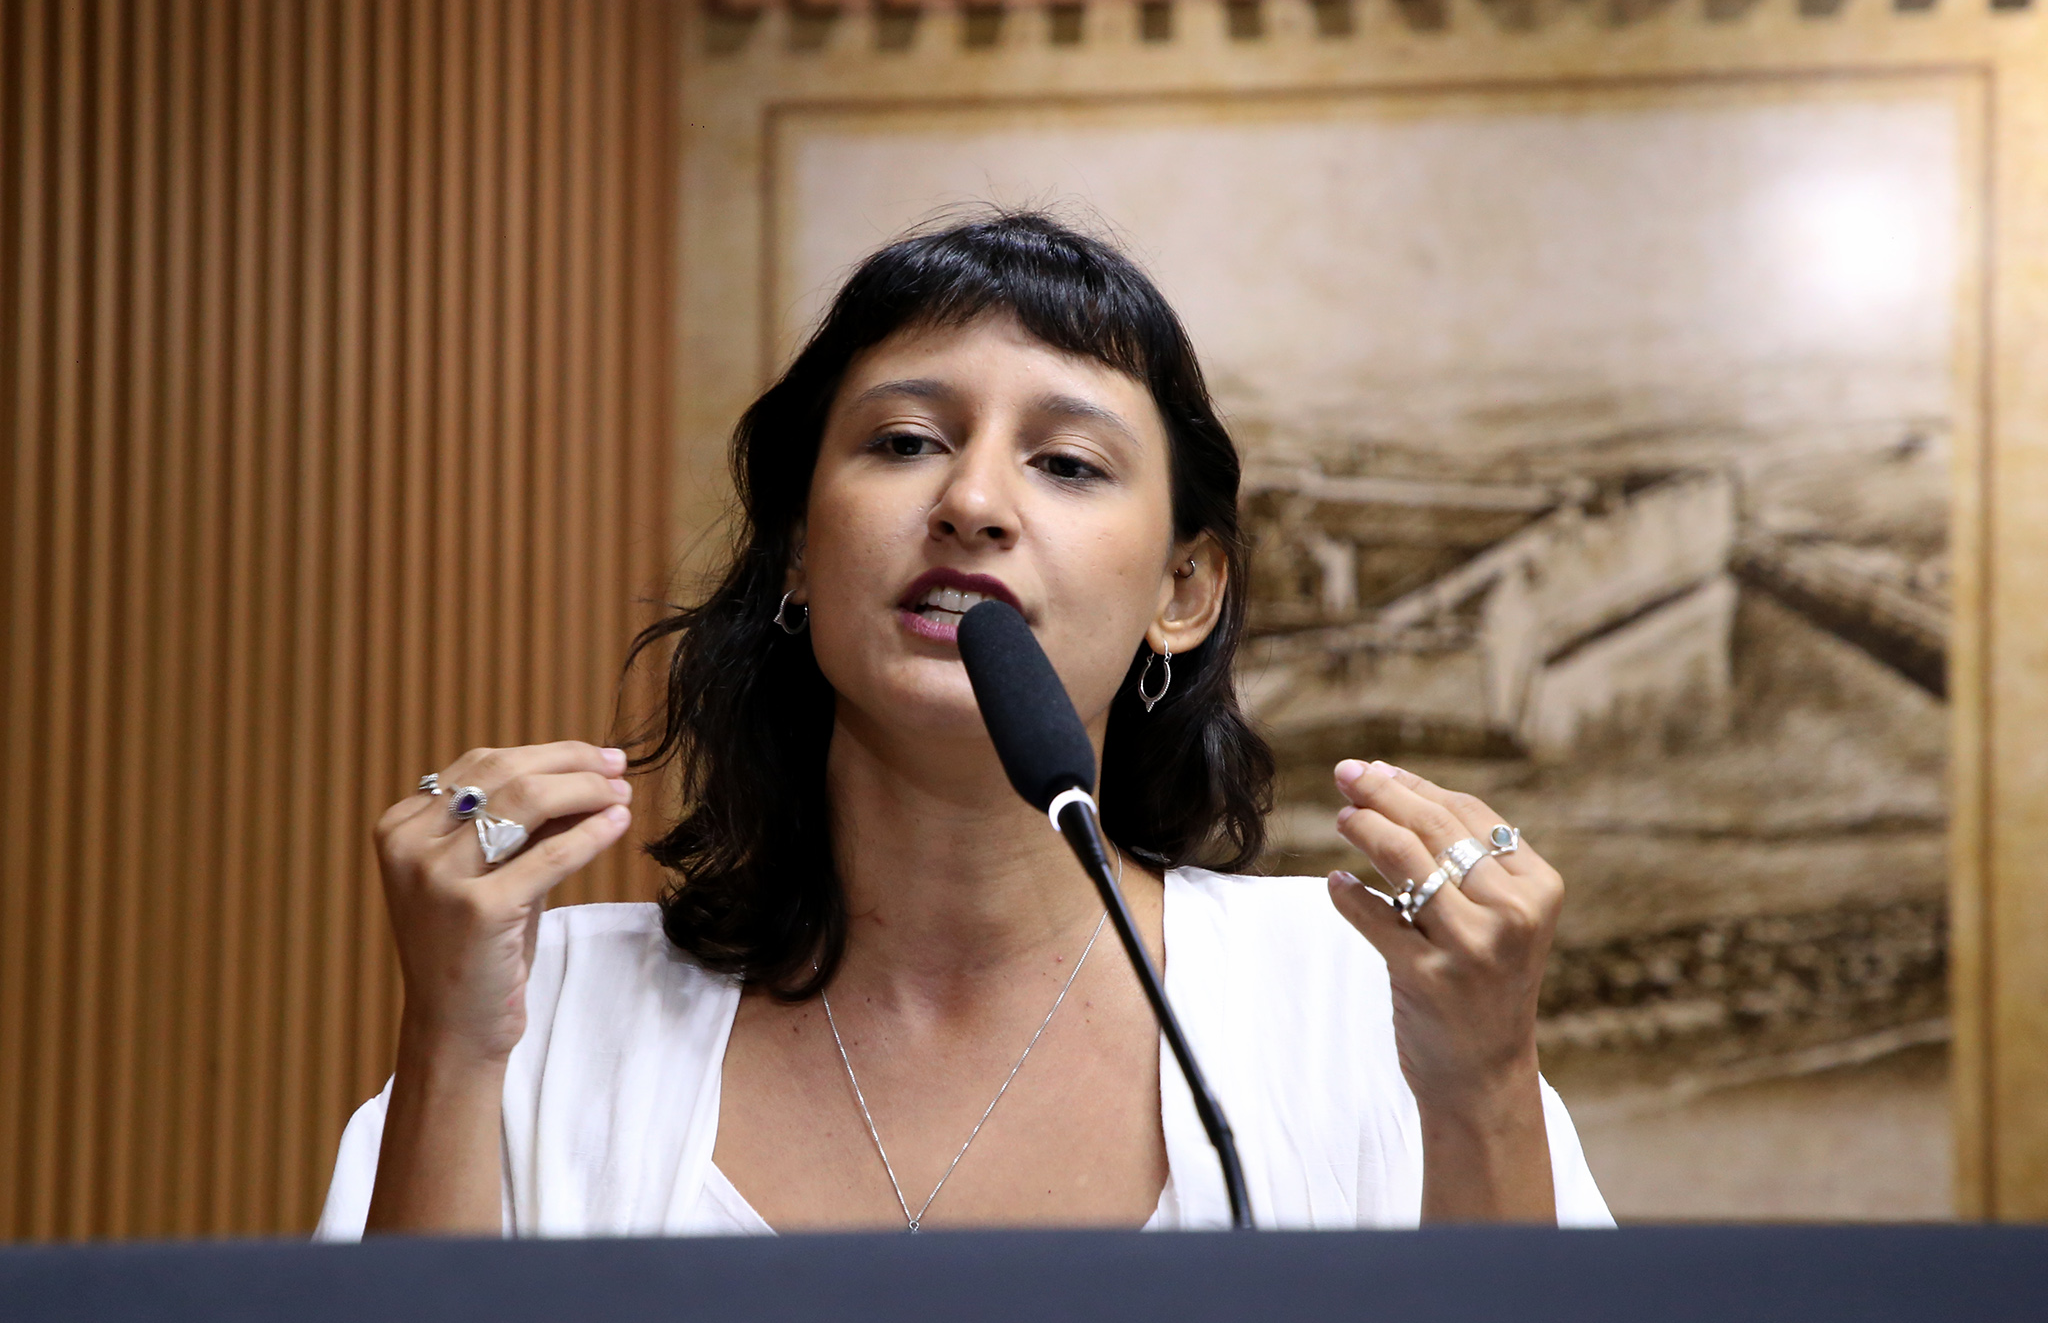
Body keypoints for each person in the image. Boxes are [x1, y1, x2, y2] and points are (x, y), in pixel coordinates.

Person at [316, 212, 1611, 1238]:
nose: (973, 500)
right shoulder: (546, 1013)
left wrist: (1486, 1083)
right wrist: (451, 1046)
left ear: (1182, 591)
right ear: (798, 553)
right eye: (904, 442)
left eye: (1067, 463)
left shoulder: (1352, 995)